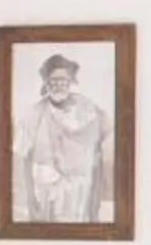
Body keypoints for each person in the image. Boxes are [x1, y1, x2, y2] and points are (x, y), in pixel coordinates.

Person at [14, 53, 112, 223]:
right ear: (46, 82)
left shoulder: (87, 108)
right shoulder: (34, 115)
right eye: (54, 80)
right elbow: (24, 156)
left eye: (63, 80)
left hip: (80, 193)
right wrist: (30, 197)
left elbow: (102, 144)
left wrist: (96, 194)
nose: (59, 84)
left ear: (71, 81)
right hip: (47, 192)